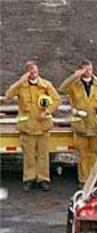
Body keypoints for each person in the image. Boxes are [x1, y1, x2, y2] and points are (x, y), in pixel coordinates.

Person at [5, 61, 61, 191]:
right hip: (27, 127)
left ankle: (43, 179)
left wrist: (47, 111)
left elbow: (57, 99)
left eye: (35, 71)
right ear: (26, 73)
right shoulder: (21, 86)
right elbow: (8, 95)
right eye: (31, 72)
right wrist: (20, 81)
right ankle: (29, 179)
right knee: (29, 156)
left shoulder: (46, 85)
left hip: (43, 126)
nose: (34, 74)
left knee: (43, 155)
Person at [59, 59, 97, 187]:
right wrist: (75, 76)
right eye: (85, 69)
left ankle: (96, 179)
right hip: (81, 125)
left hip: (96, 124)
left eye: (90, 69)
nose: (89, 72)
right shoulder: (74, 84)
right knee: (83, 154)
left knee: (96, 153)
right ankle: (83, 180)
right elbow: (62, 89)